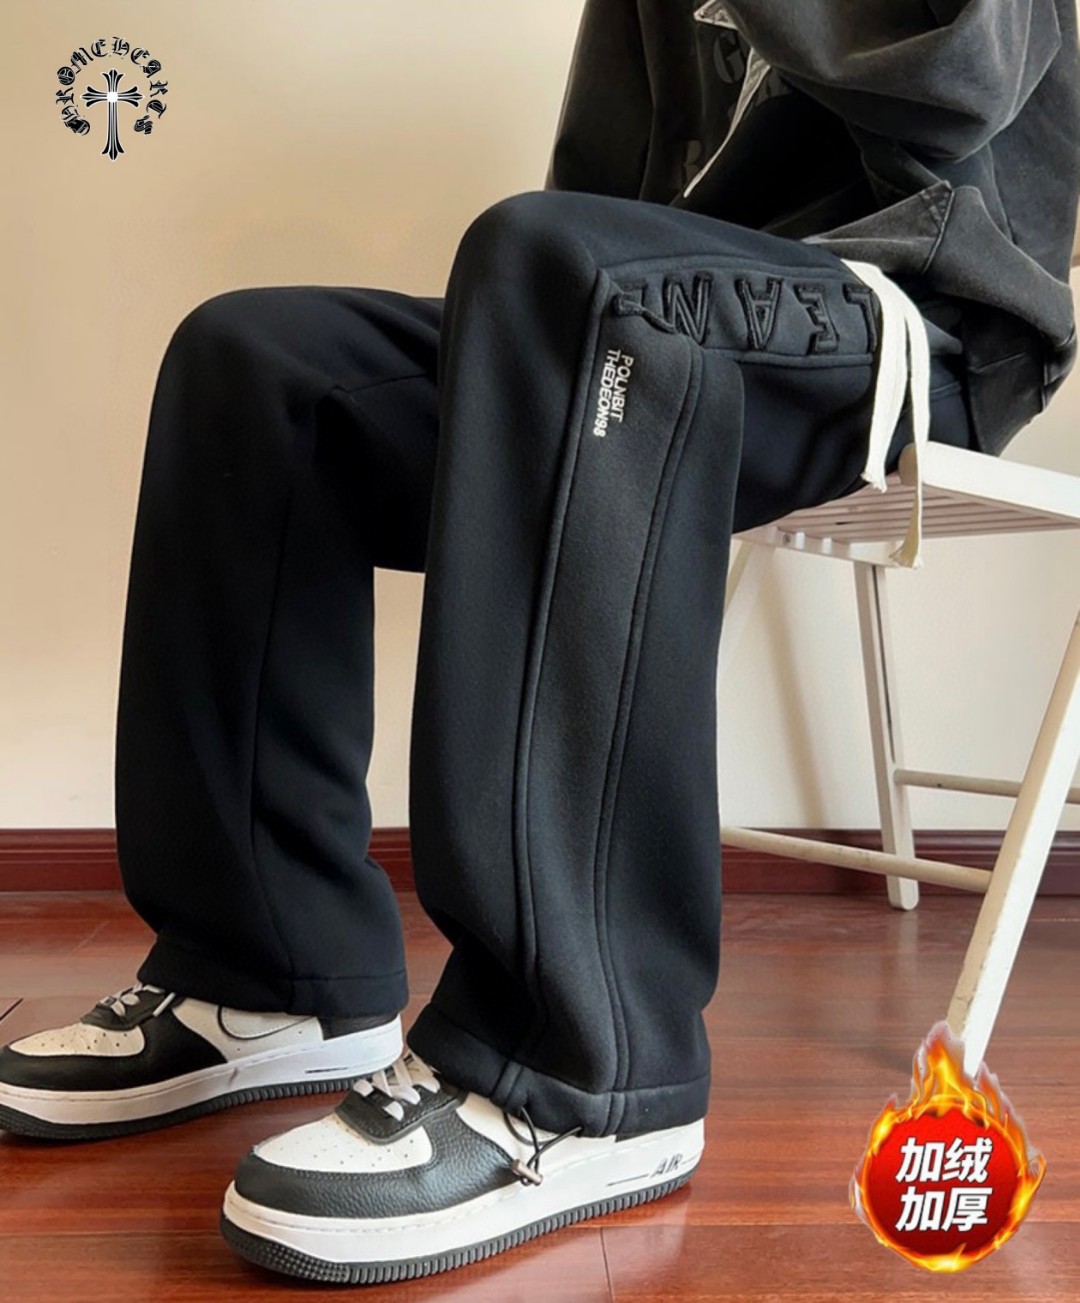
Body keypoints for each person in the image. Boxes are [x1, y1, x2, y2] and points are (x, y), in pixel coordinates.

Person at [2, 0, 1077, 1287]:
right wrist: (541, 325)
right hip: (678, 295)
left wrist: (573, 290)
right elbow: (607, 186)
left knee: (567, 273)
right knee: (259, 362)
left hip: (920, 309)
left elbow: (963, 84)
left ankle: (583, 1069)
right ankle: (269, 975)